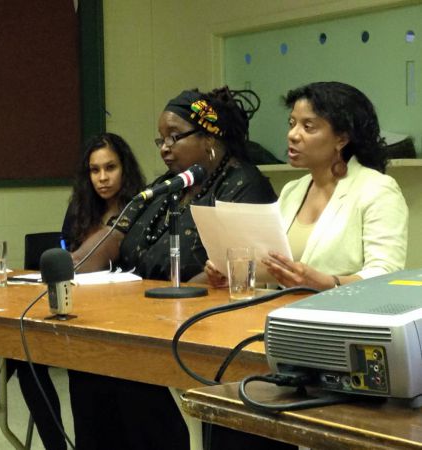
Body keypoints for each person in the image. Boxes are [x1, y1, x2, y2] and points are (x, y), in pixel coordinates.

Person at [68, 87, 291, 450]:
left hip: (201, 325)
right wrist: (62, 266)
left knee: (123, 372)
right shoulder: (166, 187)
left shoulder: (244, 184)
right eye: (161, 139)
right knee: (92, 367)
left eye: (175, 136)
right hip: (138, 320)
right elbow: (110, 241)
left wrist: (161, 307)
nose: (164, 148)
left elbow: (229, 270)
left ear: (209, 137)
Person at [0, 132, 145, 450]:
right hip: (70, 307)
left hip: (116, 317)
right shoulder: (81, 207)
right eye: (95, 170)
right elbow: (68, 258)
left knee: (21, 357)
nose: (103, 178)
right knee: (24, 357)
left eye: (111, 168)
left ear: (125, 169)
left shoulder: (139, 209)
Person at [206, 81, 408, 292]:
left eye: (308, 126)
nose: (293, 134)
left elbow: (386, 274)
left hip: (342, 317)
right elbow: (276, 273)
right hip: (282, 314)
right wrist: (238, 274)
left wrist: (327, 283)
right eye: (292, 123)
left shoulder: (377, 190)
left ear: (342, 139)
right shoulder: (292, 190)